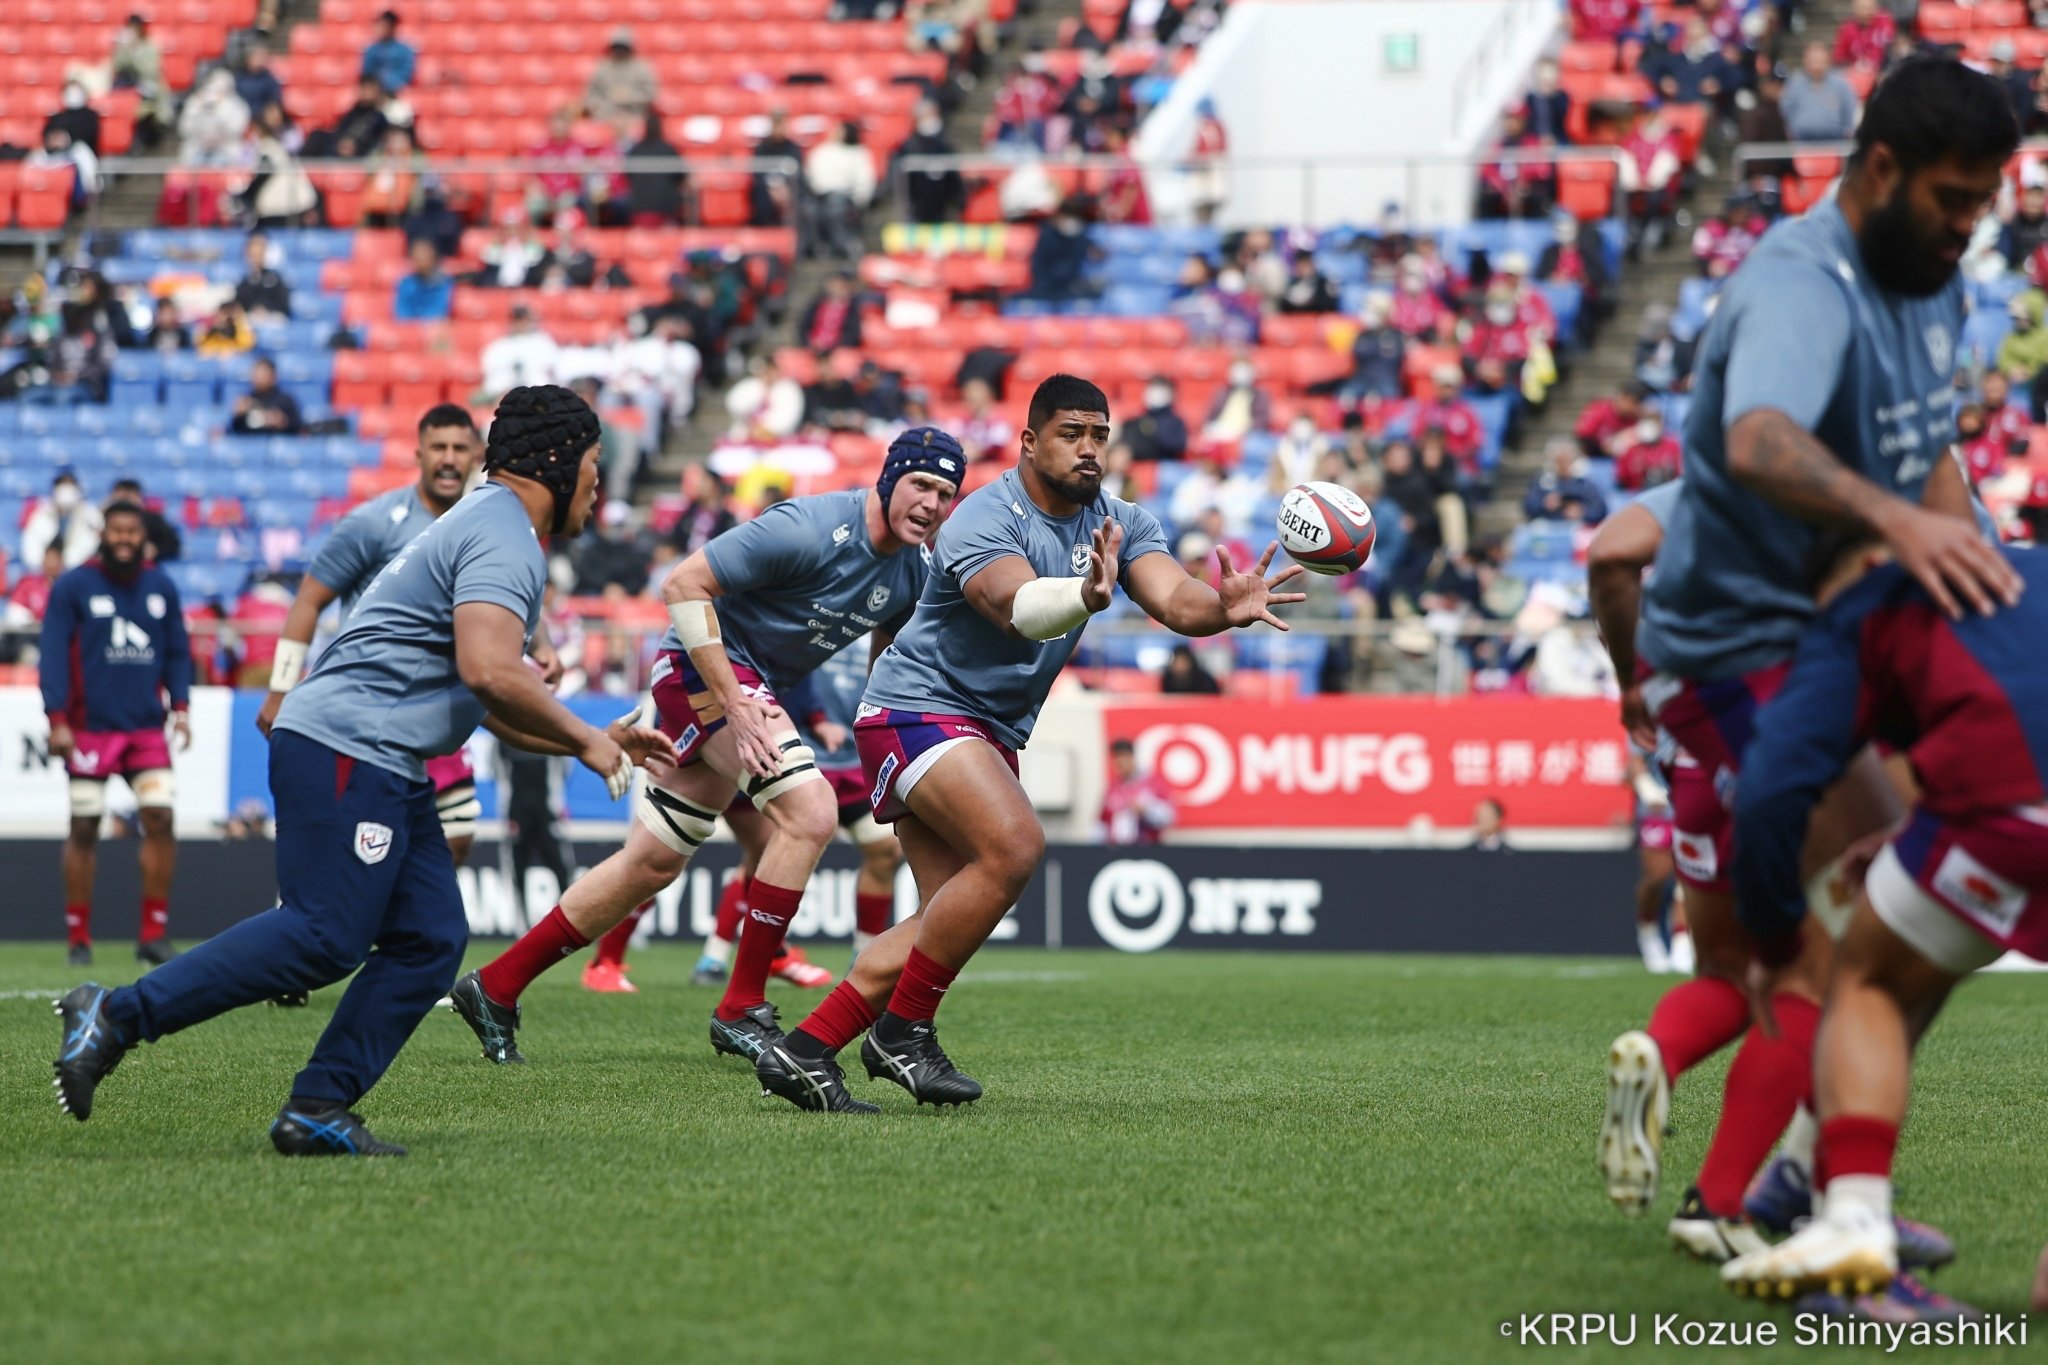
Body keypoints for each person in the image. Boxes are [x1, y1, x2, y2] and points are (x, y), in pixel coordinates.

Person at [1602, 58, 2021, 1271]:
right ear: (1878, 168)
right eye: (1951, 198)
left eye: (1982, 202)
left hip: (1831, 648)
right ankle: (1811, 1215)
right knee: (1866, 934)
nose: (1966, 225)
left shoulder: (1928, 276)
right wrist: (1894, 525)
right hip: (1741, 651)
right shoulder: (1799, 282)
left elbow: (1923, 450)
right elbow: (1758, 439)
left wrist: (1968, 583)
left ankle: (1799, 1188)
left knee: (1904, 918)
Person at [49, 385, 671, 1155]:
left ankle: (318, 1103)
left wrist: (588, 737)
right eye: (595, 462)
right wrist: (587, 741)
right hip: (348, 745)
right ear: (557, 459)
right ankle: (114, 1014)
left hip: (380, 754)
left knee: (429, 938)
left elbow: (487, 698)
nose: (599, 481)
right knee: (323, 936)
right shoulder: (504, 531)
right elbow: (488, 669)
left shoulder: (492, 524)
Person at [752, 373, 1304, 1113]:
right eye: (1071, 434)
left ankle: (824, 1046)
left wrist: (1223, 608)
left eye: (1099, 435)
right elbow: (1012, 604)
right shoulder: (983, 515)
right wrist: (1083, 594)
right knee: (1015, 847)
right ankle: (890, 1034)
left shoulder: (1121, 521)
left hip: (982, 728)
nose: (1088, 449)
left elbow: (1177, 599)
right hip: (915, 708)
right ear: (1030, 442)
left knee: (942, 914)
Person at [446, 430, 965, 1066]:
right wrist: (734, 701)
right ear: (889, 479)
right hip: (702, 673)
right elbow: (682, 584)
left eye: (946, 493)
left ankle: (494, 986)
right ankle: (741, 1006)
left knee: (649, 865)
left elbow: (890, 656)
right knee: (811, 813)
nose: (932, 503)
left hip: (736, 688)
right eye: (921, 484)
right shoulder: (807, 526)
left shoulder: (911, 570)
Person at [1718, 542, 2048, 1301]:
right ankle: (1799, 1179)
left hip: (2006, 815)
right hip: (1997, 803)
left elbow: (1771, 793)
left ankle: (1851, 1214)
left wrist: (1773, 939)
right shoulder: (2021, 571)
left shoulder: (1863, 607)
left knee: (1871, 979)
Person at [257, 406, 512, 881]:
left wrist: (540, 647)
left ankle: (402, 922)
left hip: (439, 710)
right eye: (439, 447)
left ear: (478, 455)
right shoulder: (375, 522)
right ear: (419, 453)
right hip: (369, 714)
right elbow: (309, 599)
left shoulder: (484, 529)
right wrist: (279, 687)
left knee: (455, 839)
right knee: (360, 853)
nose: (449, 458)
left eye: (460, 448)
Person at [39, 502, 191, 968]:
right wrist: (57, 719)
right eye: (117, 530)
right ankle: (78, 938)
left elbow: (178, 651)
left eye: (132, 531)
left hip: (145, 729)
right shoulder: (74, 585)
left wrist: (181, 708)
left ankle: (153, 934)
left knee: (160, 816)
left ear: (143, 537)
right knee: (85, 825)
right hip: (89, 730)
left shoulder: (161, 585)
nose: (124, 539)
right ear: (103, 533)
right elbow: (53, 653)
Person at [805, 122, 877, 261]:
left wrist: (861, 199)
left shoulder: (858, 152)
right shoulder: (822, 151)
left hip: (846, 197)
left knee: (835, 208)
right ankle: (818, 248)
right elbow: (811, 174)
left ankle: (844, 247)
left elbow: (865, 180)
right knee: (809, 210)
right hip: (819, 196)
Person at [23, 471, 105, 571]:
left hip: (81, 570)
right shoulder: (41, 514)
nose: (66, 491)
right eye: (62, 486)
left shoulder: (91, 514)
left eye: (70, 486)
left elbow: (93, 542)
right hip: (46, 571)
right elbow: (31, 548)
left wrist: (68, 564)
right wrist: (47, 566)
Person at [1101, 738, 1174, 845]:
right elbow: (1102, 822)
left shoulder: (1152, 782)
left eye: (1124, 756)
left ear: (1133, 757)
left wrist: (1146, 810)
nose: (1120, 761)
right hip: (1116, 848)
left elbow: (1168, 817)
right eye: (1116, 757)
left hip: (1146, 846)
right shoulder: (1113, 787)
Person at [1782, 42, 1860, 142]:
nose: (1816, 65)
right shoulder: (1795, 83)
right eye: (1813, 60)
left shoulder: (1841, 84)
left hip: (1835, 139)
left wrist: (1848, 130)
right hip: (1801, 140)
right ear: (1805, 61)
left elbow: (1849, 109)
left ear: (1828, 60)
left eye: (1820, 60)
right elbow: (1786, 110)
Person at [584, 29, 657, 124]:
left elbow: (651, 94)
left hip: (634, 114)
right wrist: (604, 103)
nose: (619, 51)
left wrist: (629, 96)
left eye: (623, 47)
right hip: (605, 115)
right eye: (617, 47)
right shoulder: (602, 67)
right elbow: (591, 94)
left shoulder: (641, 68)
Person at [106, 478, 182, 564]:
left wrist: (156, 549)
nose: (125, 538)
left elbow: (173, 543)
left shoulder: (152, 519)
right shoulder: (101, 518)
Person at [228, 357, 304, 435]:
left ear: (274, 376)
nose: (258, 377)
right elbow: (236, 430)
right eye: (255, 373)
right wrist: (239, 416)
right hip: (252, 441)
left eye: (262, 373)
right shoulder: (246, 401)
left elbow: (297, 427)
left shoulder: (285, 400)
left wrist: (282, 422)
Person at [1121, 377, 1188, 462]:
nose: (1155, 394)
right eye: (1152, 387)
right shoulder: (1135, 422)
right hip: (1139, 464)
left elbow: (1178, 445)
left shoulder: (1175, 422)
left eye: (1160, 389)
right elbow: (1128, 446)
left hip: (1166, 464)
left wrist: (1155, 433)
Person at [233, 232, 292, 320]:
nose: (256, 257)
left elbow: (284, 306)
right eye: (253, 254)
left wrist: (266, 309)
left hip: (271, 318)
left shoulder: (275, 279)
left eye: (259, 253)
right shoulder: (244, 282)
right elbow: (238, 305)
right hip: (250, 318)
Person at [393, 239, 453, 322]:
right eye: (416, 258)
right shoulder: (405, 283)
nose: (420, 261)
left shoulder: (443, 282)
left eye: (423, 256)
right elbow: (401, 313)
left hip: (431, 327)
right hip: (408, 327)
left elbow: (438, 312)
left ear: (432, 257)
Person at [359, 10, 415, 95]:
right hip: (375, 92)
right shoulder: (371, 50)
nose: (382, 29)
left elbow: (407, 74)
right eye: (381, 25)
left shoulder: (405, 50)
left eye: (386, 26)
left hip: (397, 92)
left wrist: (392, 84)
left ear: (393, 27)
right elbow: (366, 73)